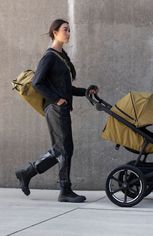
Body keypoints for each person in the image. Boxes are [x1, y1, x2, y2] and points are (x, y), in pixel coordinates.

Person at [15, 19, 98, 203]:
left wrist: (85, 91)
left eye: (69, 30)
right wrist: (57, 100)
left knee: (63, 149)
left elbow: (66, 89)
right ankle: (64, 190)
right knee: (64, 149)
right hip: (55, 108)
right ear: (55, 32)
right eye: (65, 30)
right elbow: (37, 82)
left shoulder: (62, 57)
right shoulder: (50, 56)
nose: (69, 33)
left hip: (60, 107)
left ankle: (27, 173)